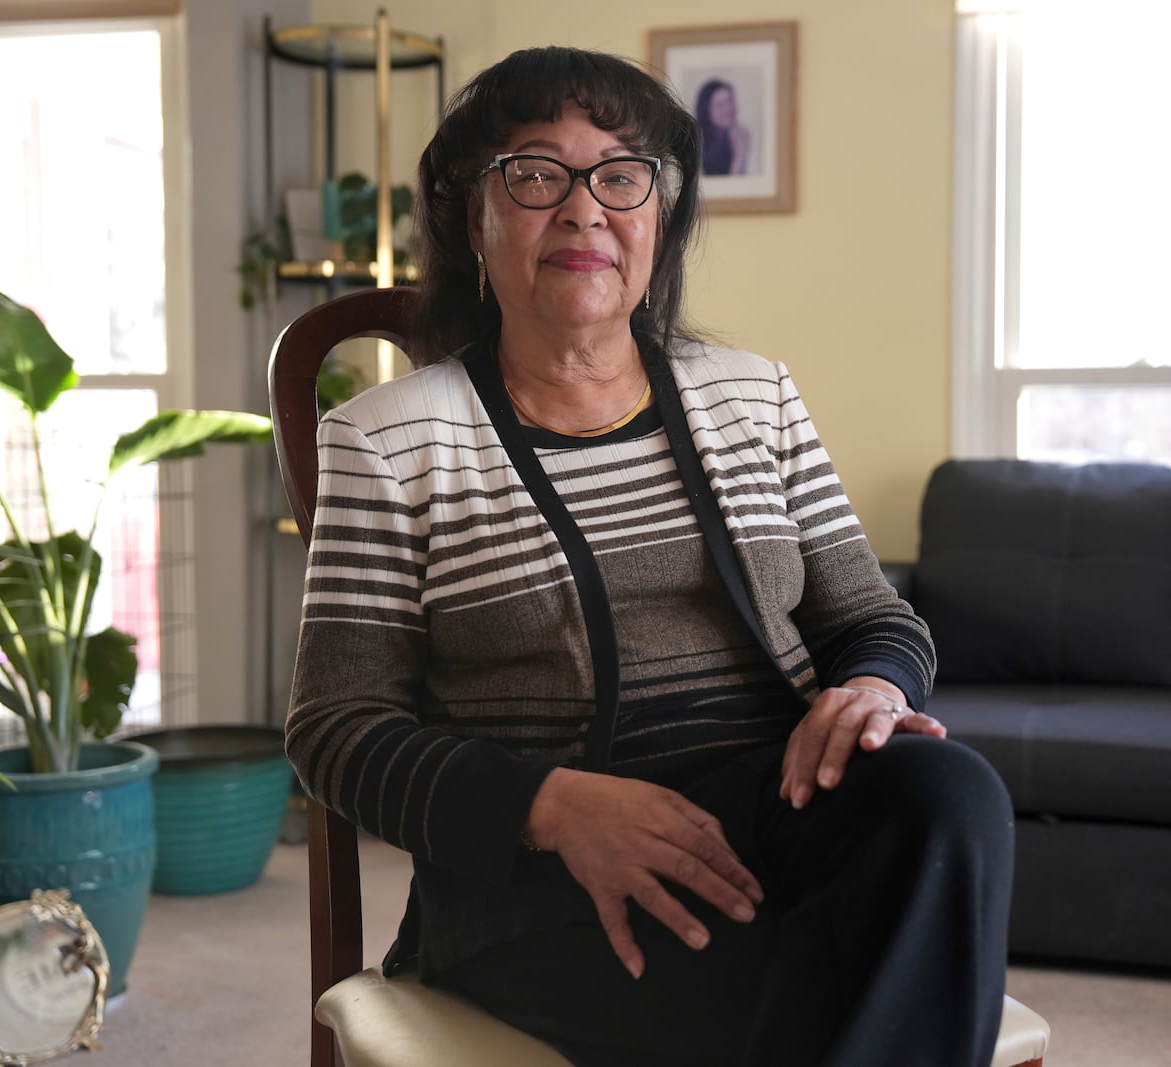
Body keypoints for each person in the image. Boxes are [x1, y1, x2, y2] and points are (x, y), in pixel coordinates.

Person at [285, 45, 1014, 1067]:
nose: (584, 209)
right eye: (536, 173)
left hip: (776, 818)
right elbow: (335, 727)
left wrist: (874, 688)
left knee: (952, 793)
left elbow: (871, 619)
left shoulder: (753, 394)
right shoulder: (388, 437)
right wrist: (550, 806)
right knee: (846, 967)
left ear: (658, 218)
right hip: (543, 886)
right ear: (470, 215)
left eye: (621, 175)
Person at [696, 77, 750, 175]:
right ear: (706, 110)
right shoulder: (696, 141)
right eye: (719, 105)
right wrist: (739, 158)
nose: (728, 108)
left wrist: (740, 152)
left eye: (730, 101)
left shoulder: (739, 136)